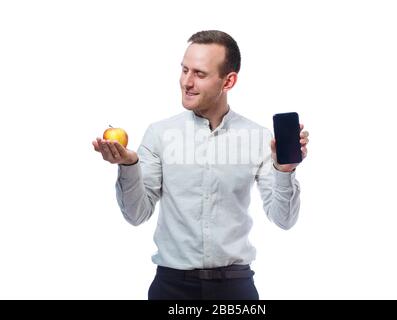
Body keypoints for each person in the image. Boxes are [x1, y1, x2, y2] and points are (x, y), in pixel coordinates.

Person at [92, 30, 309, 300]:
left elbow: (284, 219)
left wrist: (284, 170)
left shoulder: (259, 138)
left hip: (235, 288)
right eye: (184, 70)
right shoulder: (159, 134)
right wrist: (129, 165)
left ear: (228, 81)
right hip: (171, 287)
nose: (187, 82)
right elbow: (136, 215)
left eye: (200, 74)